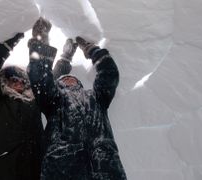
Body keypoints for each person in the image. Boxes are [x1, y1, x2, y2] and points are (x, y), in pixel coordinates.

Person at [27, 19, 127, 179]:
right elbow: (40, 79)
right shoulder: (55, 101)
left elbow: (110, 75)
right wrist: (41, 42)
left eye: (72, 78)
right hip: (62, 170)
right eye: (63, 79)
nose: (68, 79)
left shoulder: (96, 98)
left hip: (106, 168)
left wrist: (93, 50)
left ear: (79, 83)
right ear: (58, 85)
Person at [0, 33, 44, 180]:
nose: (19, 83)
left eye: (22, 81)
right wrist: (7, 46)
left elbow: (46, 78)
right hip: (3, 171)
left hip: (34, 172)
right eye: (14, 79)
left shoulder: (34, 103)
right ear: (5, 81)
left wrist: (39, 45)